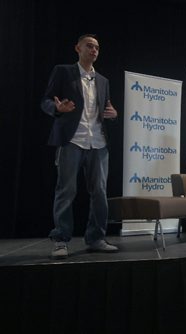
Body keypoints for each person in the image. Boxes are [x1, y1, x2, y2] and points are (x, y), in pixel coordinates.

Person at [41, 34, 118, 259]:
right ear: (78, 48)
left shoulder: (103, 80)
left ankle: (96, 238)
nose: (94, 50)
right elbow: (46, 101)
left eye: (97, 47)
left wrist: (113, 115)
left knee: (100, 193)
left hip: (99, 142)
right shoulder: (63, 72)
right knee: (67, 190)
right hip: (72, 140)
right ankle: (61, 240)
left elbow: (107, 109)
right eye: (89, 46)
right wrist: (57, 109)